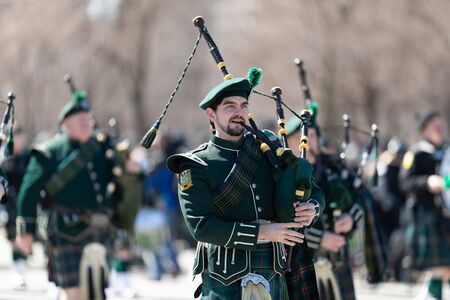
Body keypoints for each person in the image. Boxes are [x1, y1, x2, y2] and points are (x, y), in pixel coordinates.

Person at [166, 72, 323, 299]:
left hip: (273, 272)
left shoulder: (269, 150)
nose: (239, 112)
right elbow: (201, 227)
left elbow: (312, 189)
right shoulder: (194, 165)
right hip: (224, 279)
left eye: (243, 105)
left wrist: (313, 209)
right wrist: (262, 231)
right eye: (229, 106)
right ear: (211, 114)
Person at [15, 91, 122, 300]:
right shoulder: (49, 152)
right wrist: (25, 231)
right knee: (73, 293)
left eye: (87, 118)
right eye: (79, 119)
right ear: (65, 125)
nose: (86, 122)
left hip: (99, 229)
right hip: (64, 230)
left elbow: (118, 182)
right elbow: (29, 192)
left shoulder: (102, 148)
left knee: (96, 292)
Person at [286, 111, 363, 300]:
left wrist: (350, 219)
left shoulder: (334, 168)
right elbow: (283, 221)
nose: (310, 141)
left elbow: (361, 201)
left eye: (313, 135)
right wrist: (319, 238)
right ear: (289, 141)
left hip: (338, 260)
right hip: (303, 262)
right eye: (304, 136)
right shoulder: (285, 175)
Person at [400, 110, 450, 299]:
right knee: (438, 269)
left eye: (440, 124)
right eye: (434, 126)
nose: (439, 128)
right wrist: (428, 182)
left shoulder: (447, 152)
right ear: (424, 130)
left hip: (446, 216)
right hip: (427, 218)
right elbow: (404, 183)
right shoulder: (416, 154)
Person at [0, 128, 30, 289]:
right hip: (10, 205)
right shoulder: (6, 160)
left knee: (25, 235)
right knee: (13, 238)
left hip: (26, 204)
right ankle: (16, 270)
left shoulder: (30, 158)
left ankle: (21, 267)